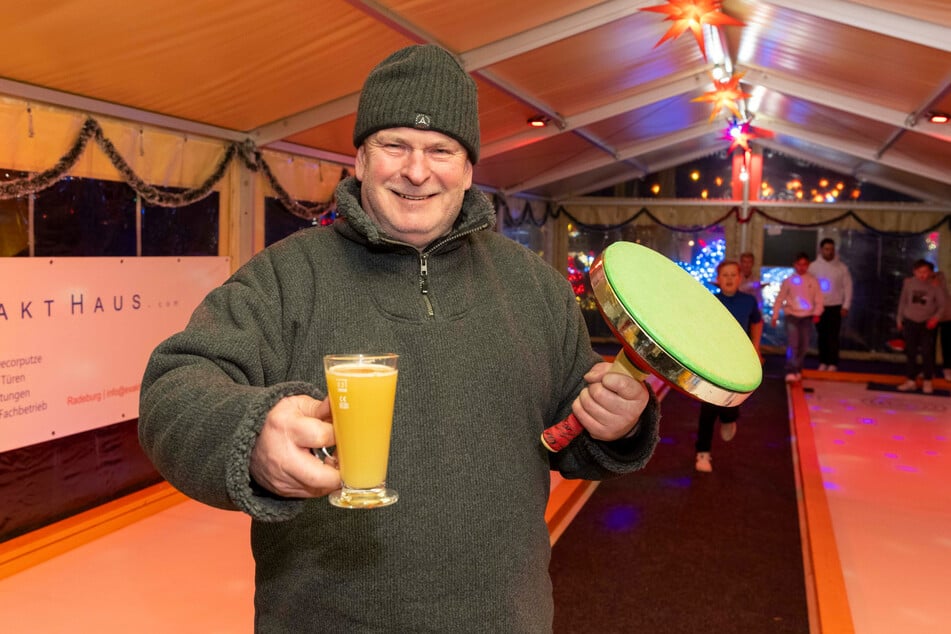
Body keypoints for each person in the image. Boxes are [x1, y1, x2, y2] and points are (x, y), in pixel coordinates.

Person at [137, 44, 660, 632]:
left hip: (505, 619)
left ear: (468, 169)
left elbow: (570, 431)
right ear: (359, 159)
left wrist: (616, 423)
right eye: (395, 145)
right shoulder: (286, 277)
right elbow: (173, 390)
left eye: (442, 150)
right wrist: (249, 433)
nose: (417, 171)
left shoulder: (533, 286)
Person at [694, 260, 762, 473]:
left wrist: (756, 348)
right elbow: (701, 326)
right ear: (718, 279)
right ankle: (702, 452)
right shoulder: (711, 301)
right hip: (714, 360)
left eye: (733, 274)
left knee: (732, 399)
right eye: (725, 275)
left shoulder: (748, 301)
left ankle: (729, 418)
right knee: (708, 406)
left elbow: (757, 322)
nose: (730, 278)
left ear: (740, 278)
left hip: (738, 360)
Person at [771, 253, 823, 383]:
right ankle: (791, 370)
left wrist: (817, 313)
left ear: (808, 265)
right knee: (793, 344)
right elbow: (780, 298)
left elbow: (819, 298)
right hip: (792, 316)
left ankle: (798, 369)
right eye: (799, 264)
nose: (801, 267)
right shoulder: (789, 281)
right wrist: (775, 315)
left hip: (807, 317)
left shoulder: (813, 280)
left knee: (804, 345)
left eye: (804, 264)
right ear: (795, 265)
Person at [896, 259, 946, 394]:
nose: (922, 275)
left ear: (930, 272)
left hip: (927, 323)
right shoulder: (909, 283)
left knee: (927, 352)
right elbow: (903, 301)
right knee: (910, 352)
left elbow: (942, 305)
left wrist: (935, 318)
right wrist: (899, 319)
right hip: (910, 321)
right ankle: (910, 380)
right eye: (919, 272)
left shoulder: (935, 285)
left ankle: (928, 380)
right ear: (914, 272)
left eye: (925, 272)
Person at [808, 238, 853, 371]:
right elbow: (808, 286)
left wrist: (846, 305)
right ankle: (823, 361)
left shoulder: (842, 268)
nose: (829, 252)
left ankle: (832, 363)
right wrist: (811, 305)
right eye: (827, 249)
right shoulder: (813, 267)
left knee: (833, 335)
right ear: (821, 250)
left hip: (835, 307)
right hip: (819, 307)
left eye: (831, 249)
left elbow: (848, 287)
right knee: (822, 335)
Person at [932, 269, 951, 382]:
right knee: (930, 345)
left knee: (947, 344)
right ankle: (929, 370)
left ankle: (948, 369)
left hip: (948, 317)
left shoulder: (943, 285)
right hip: (932, 318)